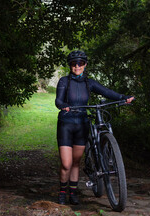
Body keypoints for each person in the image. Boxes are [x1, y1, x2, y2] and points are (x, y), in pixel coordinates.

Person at [55, 50, 134, 205]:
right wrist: (63, 105)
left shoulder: (89, 83)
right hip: (66, 124)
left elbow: (107, 92)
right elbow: (58, 100)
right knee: (66, 164)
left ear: (85, 65)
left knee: (76, 162)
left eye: (80, 63)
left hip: (82, 124)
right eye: (73, 63)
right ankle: (62, 193)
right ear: (70, 65)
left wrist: (123, 97)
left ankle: (73, 193)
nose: (77, 66)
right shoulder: (64, 81)